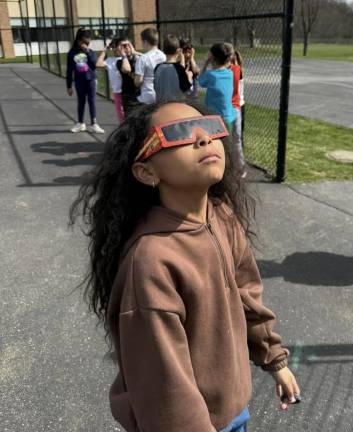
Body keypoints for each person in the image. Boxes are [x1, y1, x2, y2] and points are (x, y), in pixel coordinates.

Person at [69, 100, 300, 432]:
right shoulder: (151, 261)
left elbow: (248, 296)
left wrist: (274, 359)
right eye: (177, 134)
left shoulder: (222, 216)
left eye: (209, 127)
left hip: (235, 411)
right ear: (147, 172)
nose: (203, 139)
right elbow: (165, 387)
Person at [66, 28, 104, 134]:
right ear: (78, 41)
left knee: (92, 102)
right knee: (81, 102)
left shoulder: (91, 52)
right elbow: (69, 71)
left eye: (87, 42)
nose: (85, 44)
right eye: (83, 41)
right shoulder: (72, 53)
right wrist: (69, 86)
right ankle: (80, 123)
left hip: (91, 80)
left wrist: (87, 51)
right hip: (79, 81)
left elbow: (94, 64)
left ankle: (94, 124)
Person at [198, 43, 236, 133]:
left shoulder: (211, 75)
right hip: (228, 117)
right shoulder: (230, 74)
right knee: (226, 145)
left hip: (214, 119)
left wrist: (205, 63)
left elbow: (200, 80)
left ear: (212, 57)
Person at [224, 42, 246, 175]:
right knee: (230, 137)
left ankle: (238, 165)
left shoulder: (236, 70)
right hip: (229, 107)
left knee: (237, 137)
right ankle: (232, 163)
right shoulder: (227, 71)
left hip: (238, 105)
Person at [154, 34, 192, 102]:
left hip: (160, 106)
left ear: (163, 50)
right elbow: (187, 91)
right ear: (178, 51)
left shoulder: (157, 67)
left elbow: (155, 87)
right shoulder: (179, 69)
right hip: (175, 107)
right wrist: (189, 78)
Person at [134, 28, 166, 104]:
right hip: (162, 95)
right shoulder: (164, 56)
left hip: (147, 97)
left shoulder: (142, 59)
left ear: (145, 42)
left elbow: (138, 81)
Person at [96, 38, 124, 123]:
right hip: (117, 92)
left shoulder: (126, 59)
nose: (119, 49)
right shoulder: (110, 60)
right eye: (119, 46)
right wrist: (104, 51)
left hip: (128, 91)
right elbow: (98, 64)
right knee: (121, 115)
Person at [115, 39, 141, 117]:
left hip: (140, 94)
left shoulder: (138, 59)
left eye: (128, 45)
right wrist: (123, 55)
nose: (126, 48)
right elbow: (127, 69)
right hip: (128, 95)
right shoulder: (119, 62)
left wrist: (135, 52)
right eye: (123, 46)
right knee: (130, 120)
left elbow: (149, 59)